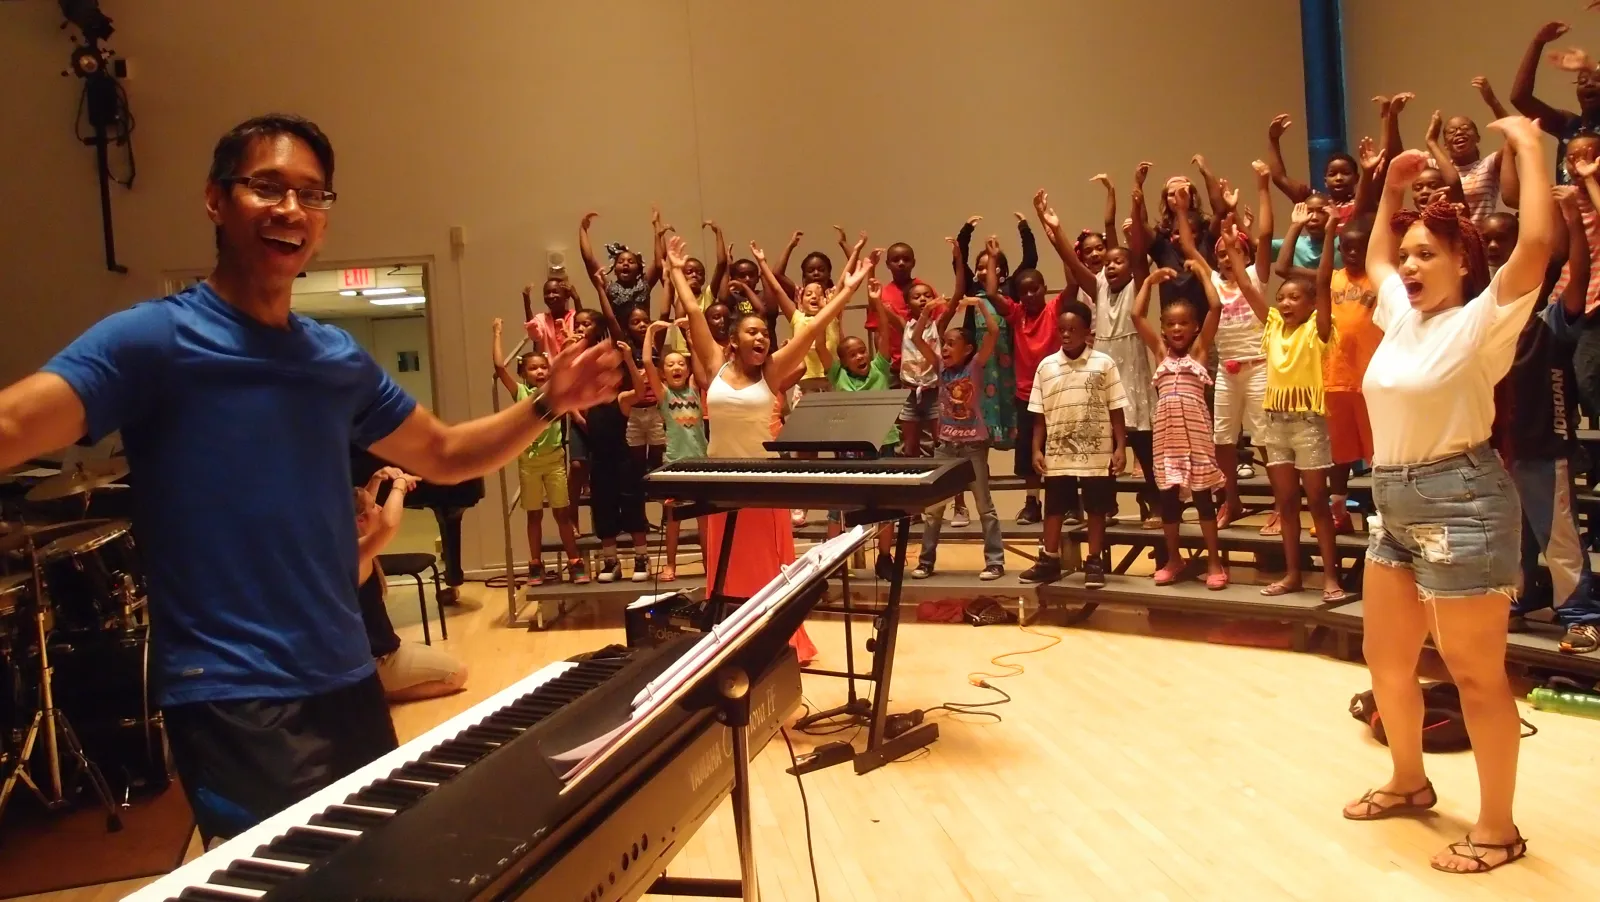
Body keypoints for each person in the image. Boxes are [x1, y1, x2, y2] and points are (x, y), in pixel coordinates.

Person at [0, 114, 620, 840]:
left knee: (380, 866)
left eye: (312, 194)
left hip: (346, 675)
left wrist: (550, 400)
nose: (292, 209)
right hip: (231, 691)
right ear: (215, 200)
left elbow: (447, 452)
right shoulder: (153, 341)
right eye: (268, 186)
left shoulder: (334, 359)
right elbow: (12, 425)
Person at [1347, 116, 1551, 875]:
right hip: (1394, 502)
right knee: (1385, 660)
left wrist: (1530, 149)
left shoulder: (1482, 323)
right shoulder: (1401, 316)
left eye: (1426, 253)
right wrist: (1390, 190)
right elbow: (1371, 258)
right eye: (1408, 255)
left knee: (1473, 673)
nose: (1408, 265)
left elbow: (1534, 248)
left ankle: (1499, 830)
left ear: (1465, 260)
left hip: (1460, 501)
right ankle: (1408, 781)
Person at [665, 233, 870, 666]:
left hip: (763, 481)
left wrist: (848, 291)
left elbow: (812, 328)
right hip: (721, 484)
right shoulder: (713, 365)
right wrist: (678, 272)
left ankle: (780, 641)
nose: (762, 338)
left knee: (769, 569)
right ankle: (728, 643)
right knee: (724, 570)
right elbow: (695, 313)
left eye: (765, 333)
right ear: (734, 341)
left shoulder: (773, 372)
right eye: (753, 332)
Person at [1499, 186, 1600, 655]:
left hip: (1545, 449)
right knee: (1510, 536)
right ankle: (1518, 601)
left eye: (1507, 244)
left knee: (1558, 538)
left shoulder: (1552, 320)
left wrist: (1571, 216)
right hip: (1499, 451)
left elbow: (1579, 271)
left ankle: (1581, 616)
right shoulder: (1485, 322)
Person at [1239, 210, 1347, 602]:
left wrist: (1332, 230)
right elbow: (1249, 288)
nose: (1285, 302)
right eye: (1281, 297)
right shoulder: (1271, 326)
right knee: (1285, 503)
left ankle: (1331, 577)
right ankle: (1293, 574)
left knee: (1316, 502)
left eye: (1293, 297)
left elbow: (1321, 282)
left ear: (1309, 304)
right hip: (1274, 424)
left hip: (1308, 422)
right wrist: (1234, 252)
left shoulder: (1317, 330)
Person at [1130, 260, 1227, 590]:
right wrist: (1149, 282)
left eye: (1184, 323)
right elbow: (1136, 316)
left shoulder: (1199, 353)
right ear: (1164, 328)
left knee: (1203, 503)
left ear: (1195, 327)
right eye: (1171, 324)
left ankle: (1214, 561)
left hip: (1196, 441)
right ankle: (1174, 558)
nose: (1177, 329)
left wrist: (1201, 272)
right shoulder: (1160, 353)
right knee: (1169, 505)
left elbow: (1215, 305)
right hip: (1167, 443)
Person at [1018, 297, 1128, 588]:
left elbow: (1116, 408)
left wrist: (1120, 447)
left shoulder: (1104, 364)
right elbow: (1039, 415)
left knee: (1095, 507)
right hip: (1058, 452)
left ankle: (1094, 561)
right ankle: (1049, 560)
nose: (1066, 334)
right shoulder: (1046, 366)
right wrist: (1036, 449)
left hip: (1097, 452)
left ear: (1086, 330)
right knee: (1053, 507)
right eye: (1062, 329)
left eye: (1072, 329)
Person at [913, 238, 1006, 581]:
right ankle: (925, 561)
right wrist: (927, 312)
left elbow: (993, 332)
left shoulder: (975, 366)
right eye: (946, 343)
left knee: (985, 507)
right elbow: (919, 338)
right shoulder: (941, 368)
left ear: (968, 349)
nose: (947, 347)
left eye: (953, 344)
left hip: (973, 447)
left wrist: (979, 305)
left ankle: (994, 561)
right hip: (946, 446)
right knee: (934, 510)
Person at [354, 471, 467, 702]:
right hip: (377, 661)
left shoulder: (348, 542)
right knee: (457, 674)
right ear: (360, 520)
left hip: (384, 649)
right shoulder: (356, 554)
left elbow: (364, 513)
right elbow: (387, 524)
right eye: (375, 506)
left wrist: (375, 479)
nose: (380, 508)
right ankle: (378, 692)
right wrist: (400, 485)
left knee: (442, 661)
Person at [492, 319, 585, 585]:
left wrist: (568, 343)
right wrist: (497, 333)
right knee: (534, 515)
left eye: (544, 367)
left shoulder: (554, 391)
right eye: (533, 368)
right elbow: (500, 367)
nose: (540, 372)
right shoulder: (520, 391)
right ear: (524, 373)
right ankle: (535, 564)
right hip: (529, 465)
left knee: (562, 514)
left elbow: (566, 369)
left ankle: (574, 561)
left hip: (554, 461)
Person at [641, 319, 708, 583]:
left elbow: (701, 359)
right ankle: (670, 564)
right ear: (663, 373)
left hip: (700, 464)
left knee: (704, 519)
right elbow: (647, 362)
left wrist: (689, 334)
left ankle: (708, 561)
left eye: (681, 363)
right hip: (674, 465)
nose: (676, 367)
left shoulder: (694, 388)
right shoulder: (665, 395)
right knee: (673, 520)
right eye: (670, 365)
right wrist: (649, 332)